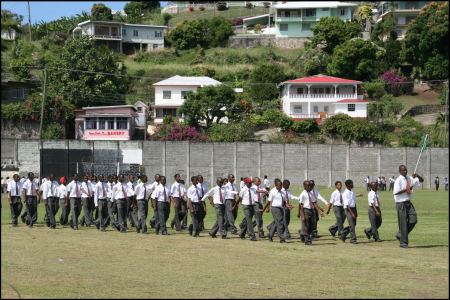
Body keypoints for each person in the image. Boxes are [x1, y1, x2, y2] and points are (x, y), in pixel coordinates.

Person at [393, 165, 424, 248]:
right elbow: (396, 192)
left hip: (408, 203)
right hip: (400, 203)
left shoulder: (409, 178)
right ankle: (403, 243)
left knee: (413, 220)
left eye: (406, 170)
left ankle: (401, 234)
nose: (405, 172)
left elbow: (421, 180)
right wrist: (407, 189)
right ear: (400, 171)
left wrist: (417, 176)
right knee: (403, 223)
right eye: (403, 170)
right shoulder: (398, 180)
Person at [261, 178, 286, 243]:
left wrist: (287, 205)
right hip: (275, 209)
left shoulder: (282, 192)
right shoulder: (273, 191)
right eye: (279, 185)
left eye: (281, 185)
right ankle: (282, 238)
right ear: (276, 185)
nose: (281, 186)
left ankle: (270, 235)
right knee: (280, 223)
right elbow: (268, 202)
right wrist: (264, 209)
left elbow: (284, 201)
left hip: (281, 208)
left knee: (276, 222)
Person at [340, 179, 362, 244]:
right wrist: (352, 213)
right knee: (352, 224)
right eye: (351, 183)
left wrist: (355, 212)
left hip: (353, 209)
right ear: (347, 185)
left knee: (354, 224)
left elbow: (354, 203)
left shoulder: (352, 192)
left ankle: (343, 233)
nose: (353, 185)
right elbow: (346, 205)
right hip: (347, 209)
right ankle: (353, 239)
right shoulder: (345, 193)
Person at [298, 180, 315, 245]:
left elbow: (313, 202)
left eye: (310, 186)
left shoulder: (311, 193)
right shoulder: (303, 194)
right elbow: (301, 205)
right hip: (305, 210)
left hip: (311, 210)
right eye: (308, 186)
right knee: (306, 225)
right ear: (304, 186)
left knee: (311, 225)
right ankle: (307, 239)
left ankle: (302, 235)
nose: (309, 187)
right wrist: (302, 215)